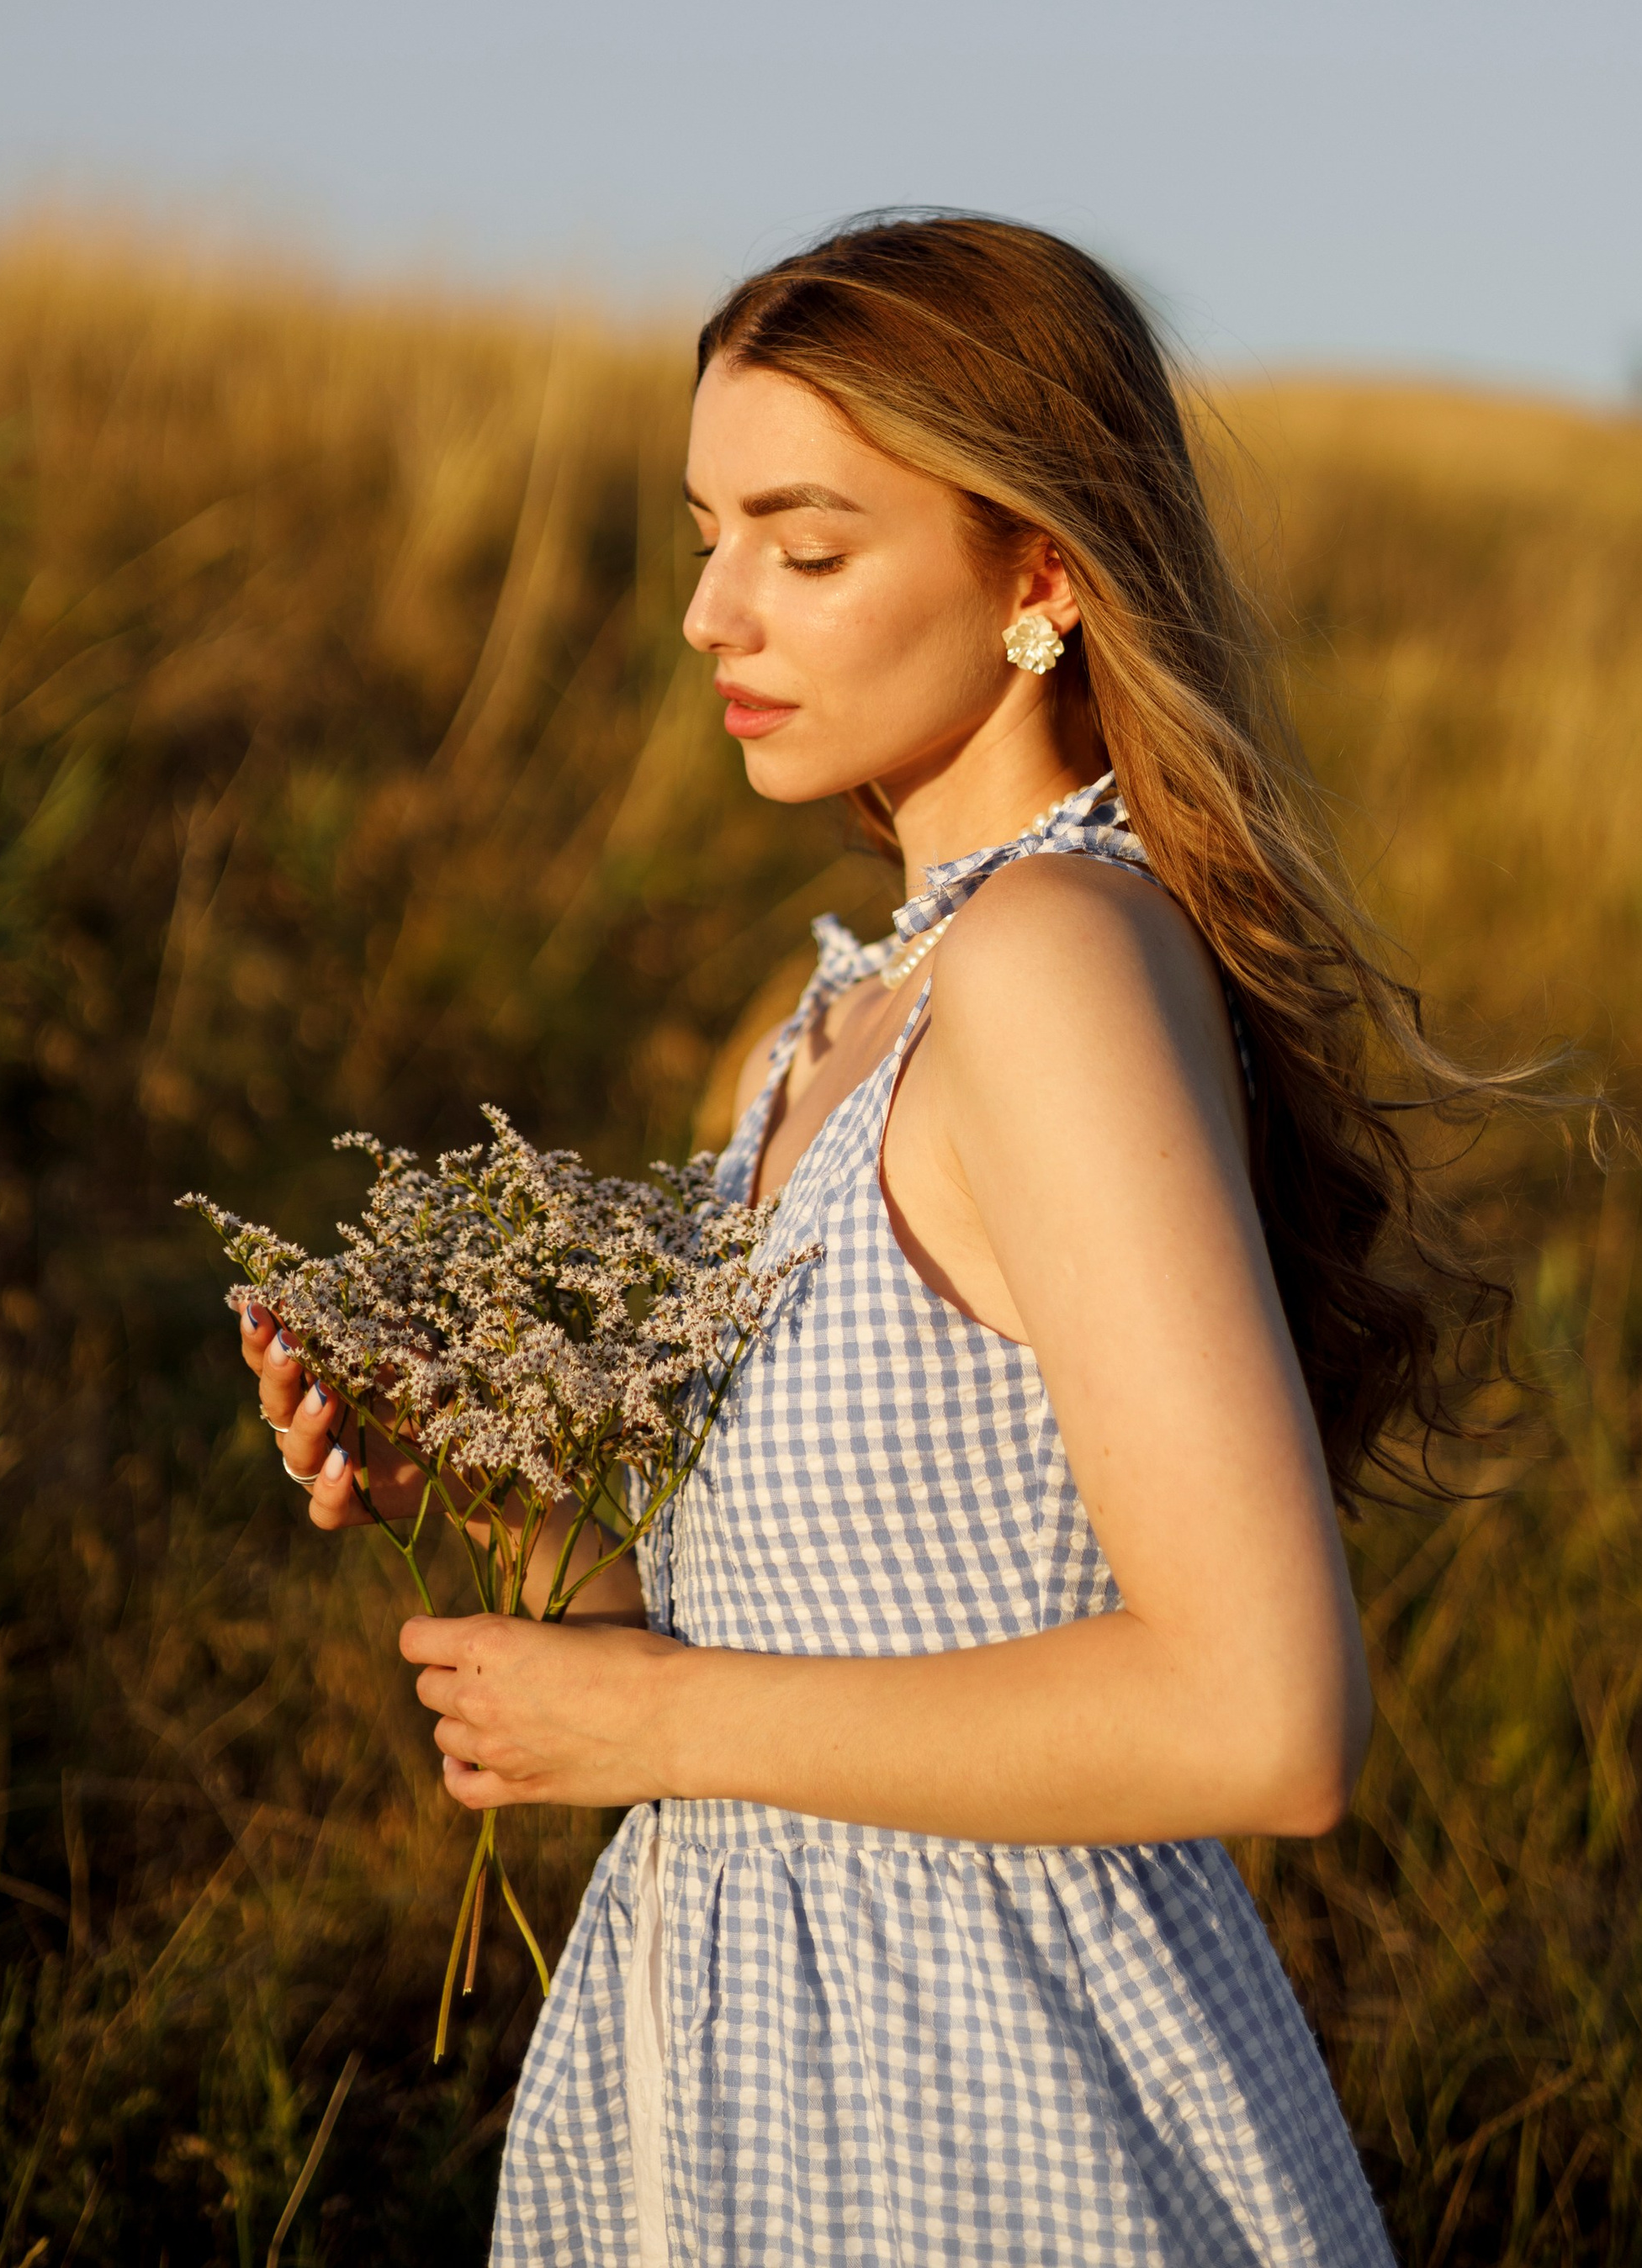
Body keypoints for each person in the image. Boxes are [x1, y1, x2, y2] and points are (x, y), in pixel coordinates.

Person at [243, 213, 1506, 2266]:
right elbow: (777, 1640)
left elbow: (1262, 1716)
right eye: (700, 534)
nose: (712, 613)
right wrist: (473, 1494)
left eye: (805, 547)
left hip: (989, 2104)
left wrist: (643, 1729)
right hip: (732, 2087)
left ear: (1041, 577)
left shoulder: (1055, 966)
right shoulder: (816, 1028)